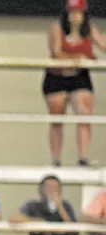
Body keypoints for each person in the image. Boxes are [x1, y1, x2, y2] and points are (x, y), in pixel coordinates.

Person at [44, 0, 106, 166]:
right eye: (72, 12)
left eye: (78, 12)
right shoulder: (57, 28)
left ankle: (83, 158)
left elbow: (103, 45)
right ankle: (56, 160)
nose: (74, 16)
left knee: (84, 113)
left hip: (79, 76)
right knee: (57, 118)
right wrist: (77, 58)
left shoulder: (89, 29)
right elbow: (56, 52)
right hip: (57, 76)